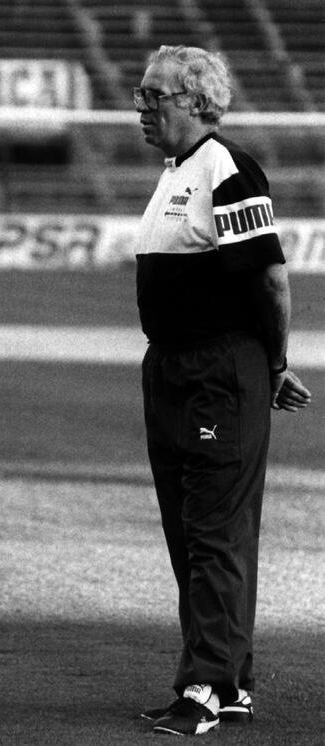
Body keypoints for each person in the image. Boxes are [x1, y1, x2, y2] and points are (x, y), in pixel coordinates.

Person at [133, 45, 311, 737]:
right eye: (142, 95)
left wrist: (273, 362)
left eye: (157, 97)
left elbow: (269, 278)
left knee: (213, 533)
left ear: (199, 102)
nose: (142, 109)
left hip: (217, 372)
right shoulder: (174, 172)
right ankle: (229, 681)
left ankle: (204, 686)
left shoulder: (229, 171)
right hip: (171, 368)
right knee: (192, 533)